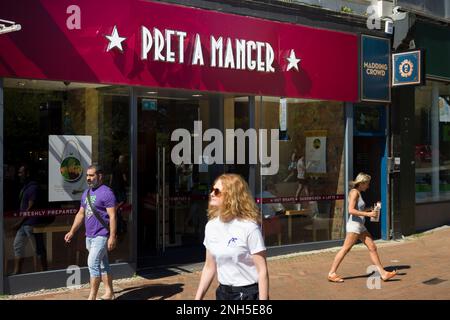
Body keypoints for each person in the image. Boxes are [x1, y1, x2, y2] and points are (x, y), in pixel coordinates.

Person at [194, 174, 269, 300]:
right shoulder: (211, 226)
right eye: (212, 190)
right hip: (223, 293)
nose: (212, 193)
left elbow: (262, 271)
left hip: (247, 294)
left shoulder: (249, 228)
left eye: (217, 191)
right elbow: (209, 267)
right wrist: (197, 298)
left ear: (231, 195)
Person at [327, 173, 397, 283]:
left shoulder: (358, 192)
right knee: (345, 249)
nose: (368, 186)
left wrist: (371, 208)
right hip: (354, 226)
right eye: (367, 184)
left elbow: (359, 209)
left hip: (360, 226)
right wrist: (368, 215)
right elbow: (351, 210)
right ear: (362, 183)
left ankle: (383, 274)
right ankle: (331, 273)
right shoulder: (354, 193)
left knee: (372, 247)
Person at [64, 164, 117, 300]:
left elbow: (112, 216)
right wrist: (72, 231)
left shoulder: (107, 193)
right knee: (103, 264)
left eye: (91, 175)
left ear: (100, 176)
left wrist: (112, 236)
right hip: (90, 236)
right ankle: (109, 293)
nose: (88, 178)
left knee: (92, 263)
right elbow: (81, 214)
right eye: (87, 175)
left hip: (102, 235)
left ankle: (91, 297)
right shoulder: (86, 193)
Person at [12, 164, 49, 274]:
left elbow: (30, 207)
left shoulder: (33, 187)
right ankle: (16, 272)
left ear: (27, 173)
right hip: (24, 224)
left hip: (31, 223)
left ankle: (44, 273)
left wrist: (19, 222)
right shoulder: (26, 186)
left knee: (38, 248)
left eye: (21, 172)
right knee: (17, 245)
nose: (19, 175)